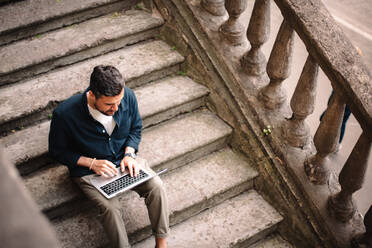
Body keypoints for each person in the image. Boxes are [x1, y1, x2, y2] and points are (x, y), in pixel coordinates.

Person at [49, 65, 169, 248]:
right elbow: (58, 151)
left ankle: (161, 243)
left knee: (156, 186)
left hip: (124, 160)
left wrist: (129, 153)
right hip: (88, 171)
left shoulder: (127, 95)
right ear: (91, 95)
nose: (116, 108)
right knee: (110, 208)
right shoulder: (64, 114)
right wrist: (91, 163)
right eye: (109, 104)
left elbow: (136, 129)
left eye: (119, 102)